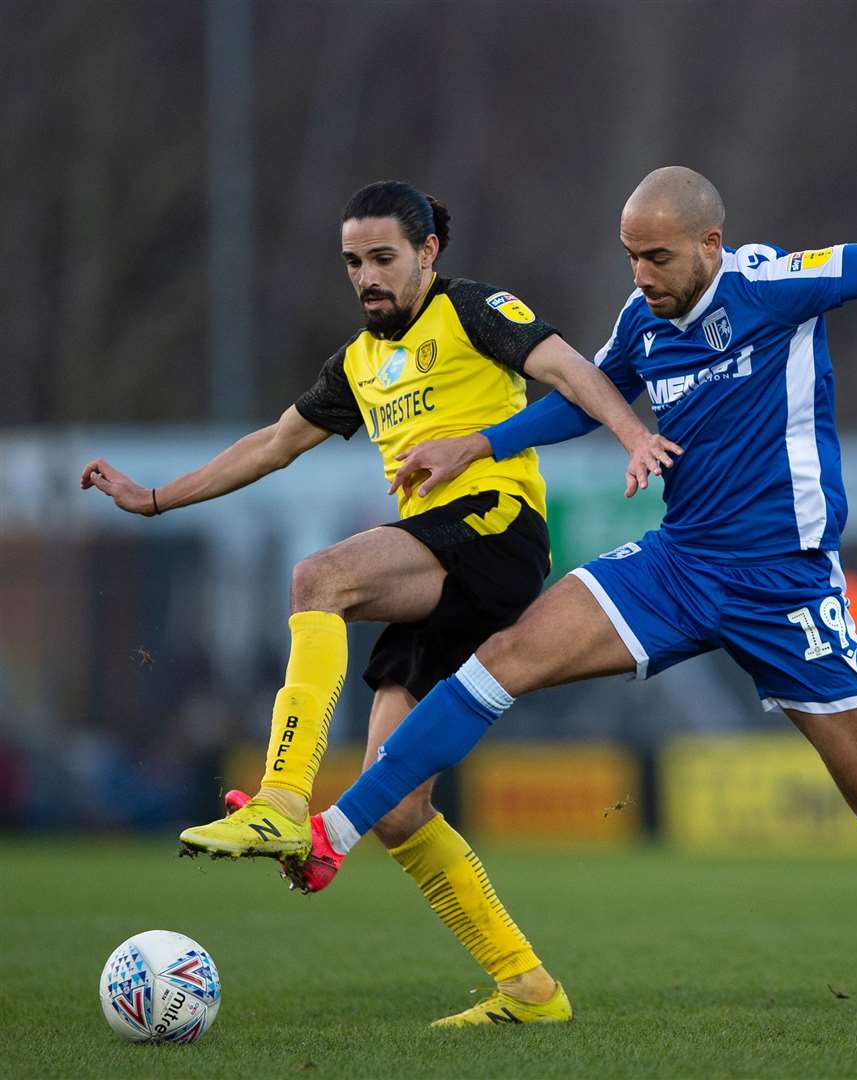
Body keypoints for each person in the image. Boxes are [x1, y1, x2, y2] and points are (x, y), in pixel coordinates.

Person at [287, 168, 857, 1017]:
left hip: (786, 584)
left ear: (709, 243)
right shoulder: (642, 316)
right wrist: (481, 443)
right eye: (631, 256)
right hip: (679, 563)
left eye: (657, 257)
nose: (641, 276)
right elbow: (587, 402)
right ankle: (338, 833)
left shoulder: (772, 287)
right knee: (501, 658)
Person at [81, 180, 679, 1027]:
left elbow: (568, 370)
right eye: (353, 262)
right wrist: (153, 499)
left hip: (492, 527)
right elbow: (274, 444)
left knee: (318, 579)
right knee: (397, 809)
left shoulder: (472, 310)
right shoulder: (359, 361)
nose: (366, 276)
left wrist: (632, 436)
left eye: (382, 258)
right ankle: (528, 990)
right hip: (436, 566)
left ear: (428, 252)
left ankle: (283, 800)